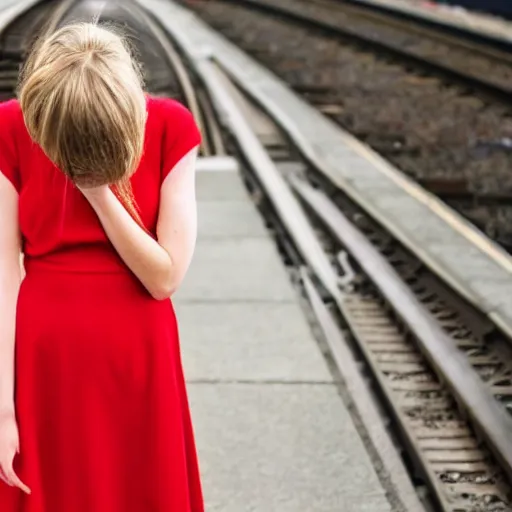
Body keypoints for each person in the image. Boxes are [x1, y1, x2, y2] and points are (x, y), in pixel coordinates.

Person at [0, 21, 204, 511]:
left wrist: (96, 187)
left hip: (135, 350)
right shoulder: (10, 125)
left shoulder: (170, 126)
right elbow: (3, 273)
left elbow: (164, 277)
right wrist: (2, 405)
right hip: (44, 351)